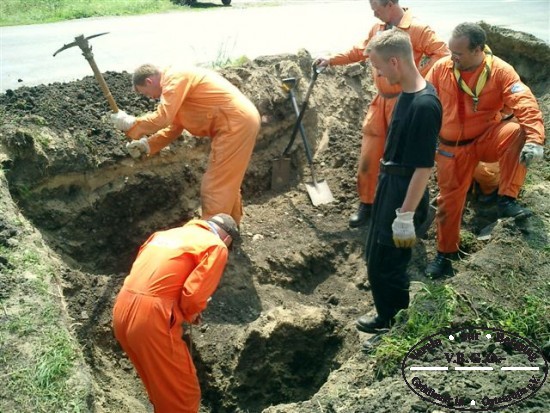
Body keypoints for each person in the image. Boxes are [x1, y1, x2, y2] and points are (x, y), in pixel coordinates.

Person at [425, 22, 545, 278]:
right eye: (451, 51)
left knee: (519, 131)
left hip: (486, 138)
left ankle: (506, 200)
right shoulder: (441, 68)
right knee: (448, 203)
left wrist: (535, 140)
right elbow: (423, 101)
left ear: (478, 49)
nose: (452, 57)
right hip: (451, 148)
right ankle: (445, 255)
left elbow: (525, 102)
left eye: (458, 53)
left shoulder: (500, 71)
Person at [314, 0, 448, 228]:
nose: (374, 13)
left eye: (376, 8)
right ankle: (368, 205)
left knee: (408, 159)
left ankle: (415, 212)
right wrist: (332, 59)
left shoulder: (417, 29)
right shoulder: (377, 30)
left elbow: (442, 54)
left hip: (405, 102)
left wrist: (418, 77)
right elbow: (360, 50)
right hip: (380, 102)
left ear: (390, 4)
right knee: (369, 155)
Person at [354, 28, 442, 337]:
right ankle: (388, 315)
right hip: (390, 187)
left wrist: (405, 215)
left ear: (395, 62)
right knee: (377, 256)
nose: (377, 73)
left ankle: (392, 326)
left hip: (403, 195)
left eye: (378, 67)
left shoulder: (423, 106)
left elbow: (423, 168)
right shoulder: (407, 94)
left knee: (387, 265)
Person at [112, 213, 239, 413]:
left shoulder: (163, 235)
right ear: (227, 239)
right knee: (184, 395)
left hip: (121, 309)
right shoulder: (216, 245)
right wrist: (191, 313)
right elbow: (194, 295)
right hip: (151, 318)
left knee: (161, 389)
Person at [109, 64, 261, 225]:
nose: (150, 98)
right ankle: (231, 226)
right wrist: (147, 144)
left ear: (149, 81)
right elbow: (174, 127)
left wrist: (132, 123)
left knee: (215, 185)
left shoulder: (174, 78)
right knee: (227, 179)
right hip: (237, 122)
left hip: (235, 124)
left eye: (146, 93)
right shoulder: (178, 87)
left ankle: (212, 236)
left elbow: (163, 118)